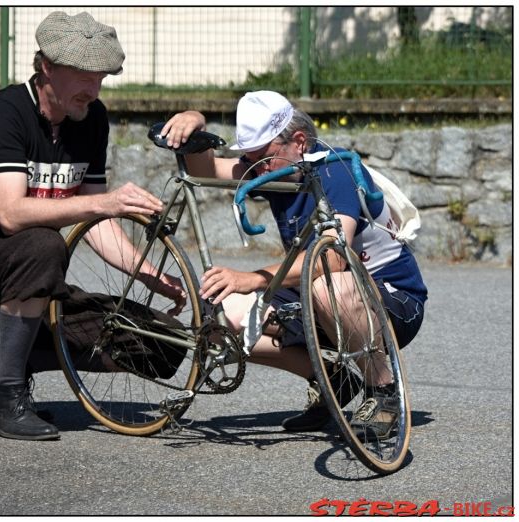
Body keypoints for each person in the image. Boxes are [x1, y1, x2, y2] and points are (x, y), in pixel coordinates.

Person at [0, 11, 185, 441]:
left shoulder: (91, 119)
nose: (94, 88)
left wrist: (157, 280)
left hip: (30, 288)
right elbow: (10, 214)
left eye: (101, 77)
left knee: (161, 342)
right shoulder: (5, 112)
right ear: (46, 67)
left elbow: (97, 222)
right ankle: (6, 399)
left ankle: (7, 362)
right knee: (43, 244)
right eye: (84, 75)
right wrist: (105, 201)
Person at [160, 90, 428, 433]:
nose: (255, 168)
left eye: (262, 158)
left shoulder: (336, 170)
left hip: (393, 301)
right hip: (318, 295)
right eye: (249, 158)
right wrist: (194, 123)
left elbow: (332, 260)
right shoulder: (275, 169)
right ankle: (334, 381)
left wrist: (253, 278)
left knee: (331, 285)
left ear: (298, 141)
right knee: (222, 316)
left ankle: (383, 389)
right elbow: (208, 169)